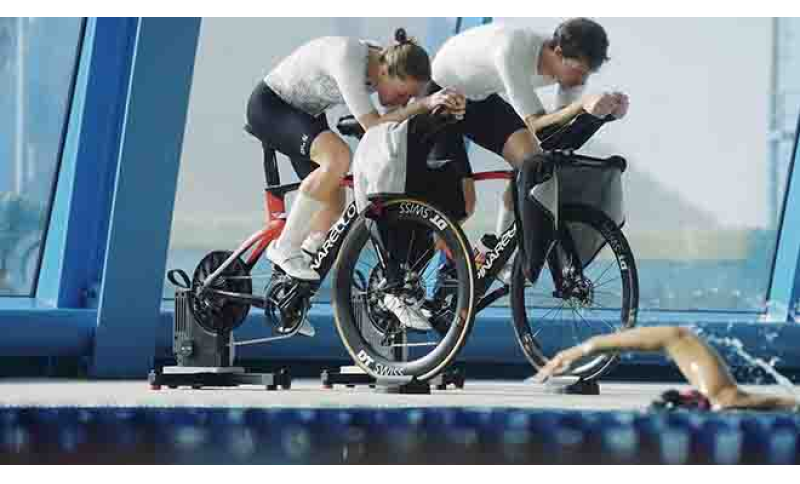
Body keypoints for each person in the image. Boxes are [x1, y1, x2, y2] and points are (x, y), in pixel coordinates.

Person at [247, 28, 465, 283]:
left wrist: (441, 106)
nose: (404, 101)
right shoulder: (348, 59)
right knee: (338, 157)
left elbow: (393, 119)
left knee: (333, 206)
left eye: (409, 97)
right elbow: (374, 126)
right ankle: (284, 247)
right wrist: (423, 104)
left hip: (306, 115)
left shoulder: (386, 65)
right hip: (272, 106)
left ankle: (294, 282)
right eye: (402, 94)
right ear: (384, 73)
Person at [429, 18, 629, 284]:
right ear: (557, 52)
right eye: (578, 71)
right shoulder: (513, 50)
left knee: (532, 163)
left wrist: (602, 114)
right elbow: (536, 124)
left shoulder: (570, 73)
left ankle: (497, 256)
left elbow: (554, 134)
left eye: (588, 75)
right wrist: (581, 106)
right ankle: (406, 275)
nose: (581, 80)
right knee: (463, 205)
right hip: (441, 95)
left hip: (478, 98)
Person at [535, 327, 800, 412]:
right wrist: (583, 349)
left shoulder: (722, 401)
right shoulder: (724, 402)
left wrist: (584, 349)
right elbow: (676, 337)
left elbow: (675, 337)